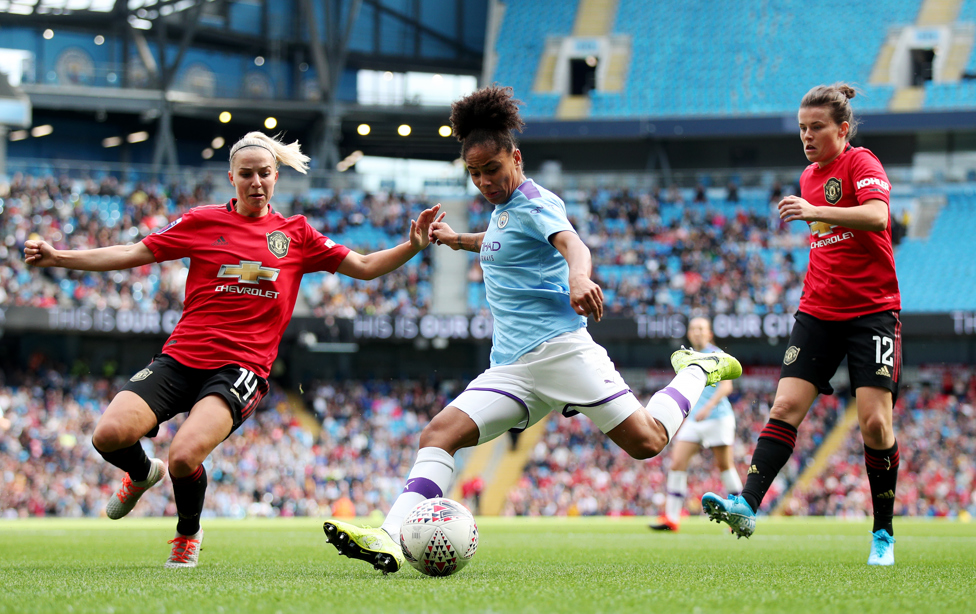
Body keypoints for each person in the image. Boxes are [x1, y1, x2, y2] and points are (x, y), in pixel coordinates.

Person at [320, 85, 742, 573]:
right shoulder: (504, 212)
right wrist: (458, 240)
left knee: (647, 442)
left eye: (492, 170)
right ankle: (391, 536)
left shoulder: (537, 201)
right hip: (514, 367)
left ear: (515, 158)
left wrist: (580, 276)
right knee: (438, 433)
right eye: (474, 174)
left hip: (562, 353)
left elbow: (572, 243)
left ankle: (696, 367)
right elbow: (501, 238)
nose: (484, 181)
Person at [23, 131, 443, 568]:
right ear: (232, 177)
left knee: (184, 456)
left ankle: (188, 533)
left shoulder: (296, 234)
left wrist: (412, 246)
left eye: (264, 173)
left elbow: (365, 267)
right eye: (247, 174)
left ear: (276, 177)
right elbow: (133, 252)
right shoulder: (202, 221)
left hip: (240, 369)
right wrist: (60, 257)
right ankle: (143, 472)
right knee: (107, 435)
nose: (256, 181)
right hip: (181, 357)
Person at [701, 83, 902, 566]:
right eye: (802, 129)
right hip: (818, 310)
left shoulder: (861, 164)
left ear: (843, 129)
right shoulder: (808, 176)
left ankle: (883, 534)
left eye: (816, 128)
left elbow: (877, 216)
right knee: (786, 404)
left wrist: (815, 210)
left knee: (875, 423)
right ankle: (746, 505)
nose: (807, 136)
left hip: (873, 311)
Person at [650, 317, 741, 532]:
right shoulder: (688, 357)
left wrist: (707, 407)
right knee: (677, 464)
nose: (697, 332)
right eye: (694, 328)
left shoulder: (718, 354)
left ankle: (738, 515)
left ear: (709, 333)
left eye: (702, 328)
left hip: (718, 417)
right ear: (689, 334)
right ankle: (672, 518)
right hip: (695, 420)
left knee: (725, 466)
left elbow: (726, 387)